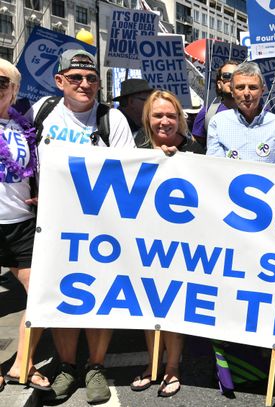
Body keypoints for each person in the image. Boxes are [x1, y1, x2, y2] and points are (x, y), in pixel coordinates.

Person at [27, 48, 135, 404]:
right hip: (51, 226)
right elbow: (18, 155)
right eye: (75, 78)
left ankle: (96, 367)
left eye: (91, 78)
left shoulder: (111, 120)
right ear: (60, 82)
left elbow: (128, 170)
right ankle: (68, 366)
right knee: (62, 294)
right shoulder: (40, 111)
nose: (84, 84)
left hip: (99, 225)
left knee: (98, 295)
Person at [129, 90, 203, 398]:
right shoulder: (135, 146)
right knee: (148, 305)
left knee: (172, 305)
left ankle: (172, 366)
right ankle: (153, 362)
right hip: (144, 238)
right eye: (158, 115)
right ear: (148, 118)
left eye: (171, 115)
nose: (164, 121)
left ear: (180, 119)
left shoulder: (197, 150)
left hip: (183, 243)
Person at [0, 58, 51, 393]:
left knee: (41, 296)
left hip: (20, 223)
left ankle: (23, 363)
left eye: (2, 82)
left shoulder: (22, 128)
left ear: (15, 89)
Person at [206, 61, 275, 164]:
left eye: (253, 87)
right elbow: (215, 166)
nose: (246, 93)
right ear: (232, 91)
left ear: (262, 90)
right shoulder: (218, 123)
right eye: (240, 87)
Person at [192, 60, 239, 144]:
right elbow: (196, 147)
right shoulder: (207, 113)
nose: (232, 80)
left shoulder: (257, 112)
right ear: (219, 84)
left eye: (237, 76)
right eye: (227, 76)